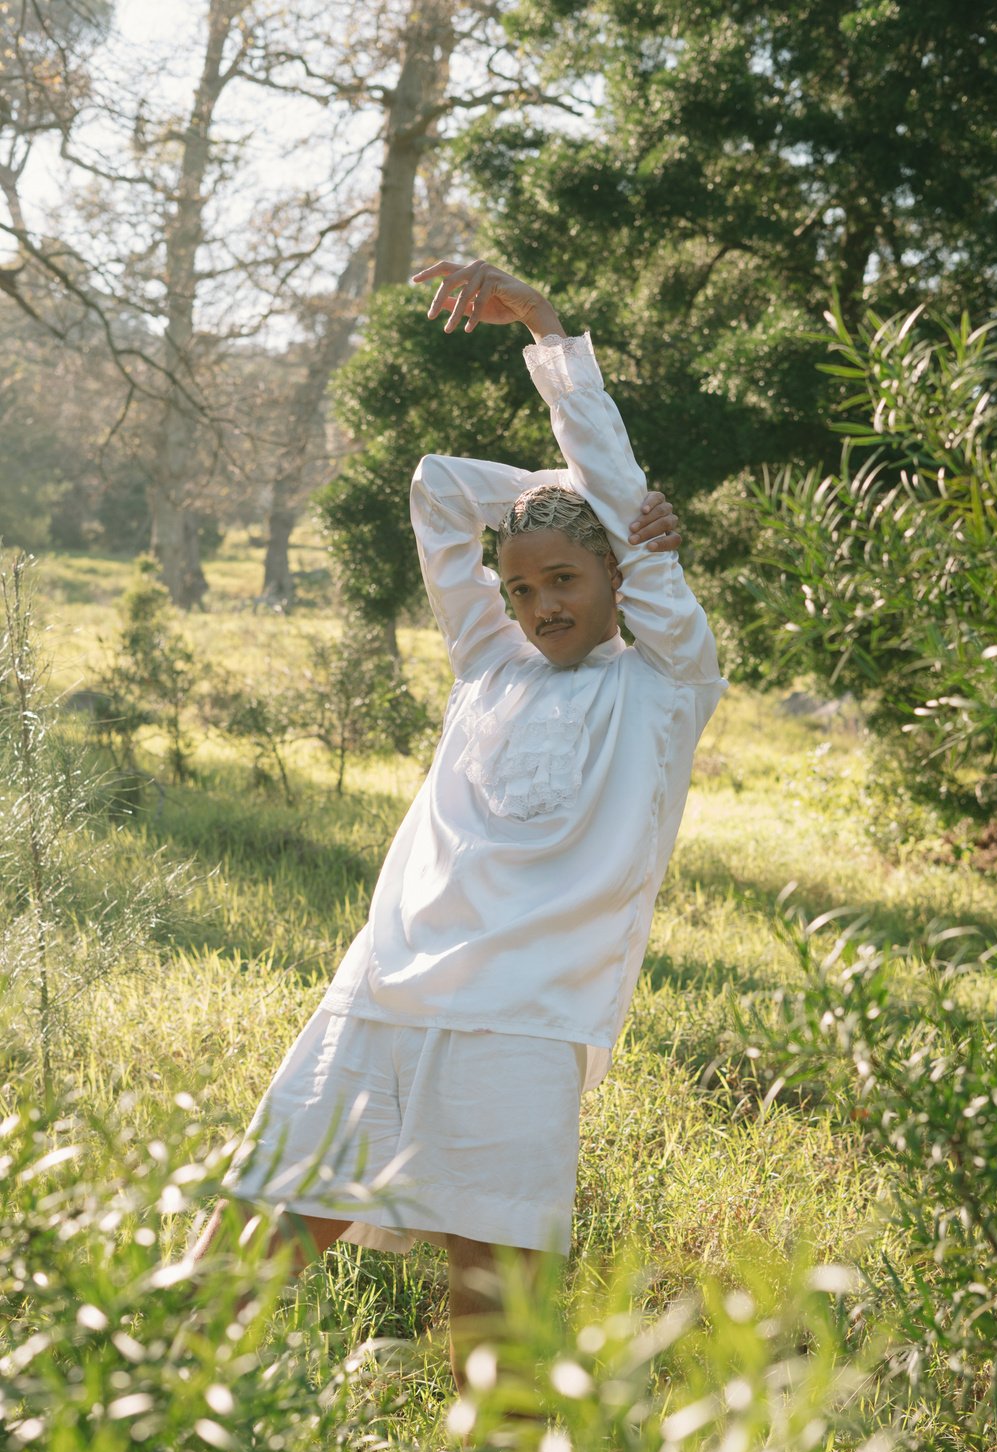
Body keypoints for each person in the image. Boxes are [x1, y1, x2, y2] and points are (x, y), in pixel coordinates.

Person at [187, 260, 727, 1390]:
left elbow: (617, 515)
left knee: (495, 1280)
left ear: (625, 576)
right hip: (382, 985)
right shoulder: (489, 664)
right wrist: (548, 505)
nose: (540, 607)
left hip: (526, 1017)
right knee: (266, 1221)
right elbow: (438, 488)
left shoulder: (664, 683)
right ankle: (157, 1418)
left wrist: (546, 331)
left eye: (567, 577)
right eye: (520, 587)